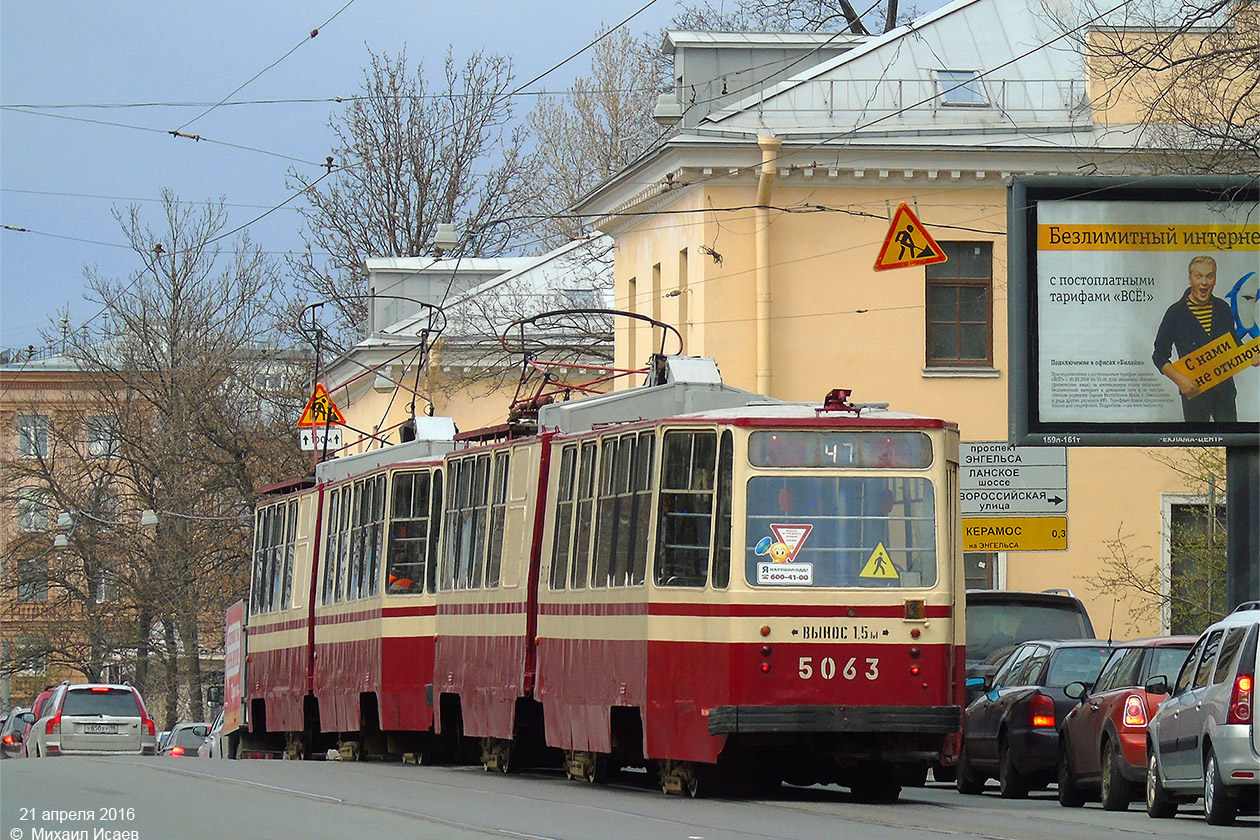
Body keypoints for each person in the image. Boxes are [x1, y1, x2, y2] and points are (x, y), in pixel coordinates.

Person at [1152, 255, 1244, 422]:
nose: (1204, 282)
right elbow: (1159, 355)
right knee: (1196, 446)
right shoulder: (1175, 313)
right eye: (1198, 276)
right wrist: (1180, 380)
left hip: (1225, 393)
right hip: (1194, 394)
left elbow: (1233, 343)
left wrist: (1249, 354)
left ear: (1215, 279)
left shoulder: (1223, 308)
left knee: (1233, 443)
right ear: (1190, 279)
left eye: (1209, 276)